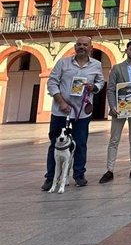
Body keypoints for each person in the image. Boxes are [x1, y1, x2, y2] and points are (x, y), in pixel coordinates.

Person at [42, 36, 105, 191]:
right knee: (55, 144)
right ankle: (51, 178)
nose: (82, 47)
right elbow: (52, 82)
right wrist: (61, 102)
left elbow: (101, 82)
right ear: (75, 47)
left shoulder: (96, 65)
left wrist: (94, 88)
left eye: (85, 45)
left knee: (81, 143)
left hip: (81, 113)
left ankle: (79, 175)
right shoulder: (63, 63)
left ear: (91, 47)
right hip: (61, 112)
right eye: (79, 44)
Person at [99, 40, 131, 183]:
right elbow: (111, 89)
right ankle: (109, 169)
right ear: (126, 50)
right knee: (114, 139)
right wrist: (112, 106)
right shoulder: (116, 68)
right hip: (120, 108)